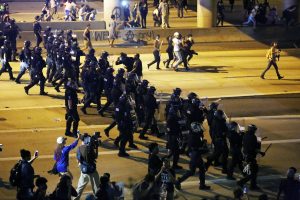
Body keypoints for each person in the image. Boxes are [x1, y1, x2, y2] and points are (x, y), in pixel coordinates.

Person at [175, 122, 211, 190]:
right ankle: (179, 181)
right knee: (197, 170)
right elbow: (197, 148)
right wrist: (204, 148)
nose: (200, 129)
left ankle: (201, 185)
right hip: (195, 155)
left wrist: (202, 143)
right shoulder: (194, 136)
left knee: (196, 170)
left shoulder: (194, 134)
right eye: (198, 128)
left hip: (195, 155)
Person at [237, 124, 266, 190]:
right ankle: (242, 182)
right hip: (250, 156)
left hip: (245, 155)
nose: (255, 131)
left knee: (253, 171)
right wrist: (261, 152)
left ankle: (252, 185)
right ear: (253, 130)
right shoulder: (252, 137)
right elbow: (255, 148)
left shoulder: (245, 135)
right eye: (254, 130)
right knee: (253, 172)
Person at [74, 134, 100, 200]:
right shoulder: (90, 148)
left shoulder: (79, 148)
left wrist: (80, 164)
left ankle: (75, 199)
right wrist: (96, 147)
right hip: (92, 171)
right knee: (96, 188)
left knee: (79, 188)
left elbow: (78, 159)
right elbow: (95, 156)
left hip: (84, 171)